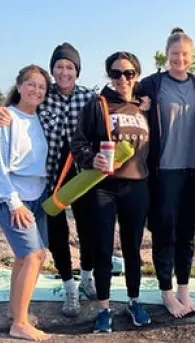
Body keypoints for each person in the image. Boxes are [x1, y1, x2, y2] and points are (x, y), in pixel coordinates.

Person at [0, 43, 97, 318]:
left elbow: (108, 123)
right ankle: (69, 286)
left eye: (70, 67)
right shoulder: (44, 98)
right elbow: (16, 112)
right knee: (58, 235)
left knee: (88, 229)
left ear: (77, 71)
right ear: (53, 71)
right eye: (59, 66)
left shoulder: (89, 97)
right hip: (51, 175)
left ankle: (87, 277)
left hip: (83, 172)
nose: (64, 72)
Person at [71, 51, 152, 332]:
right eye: (116, 73)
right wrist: (91, 158)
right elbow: (78, 143)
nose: (122, 79)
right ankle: (104, 307)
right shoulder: (99, 105)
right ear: (109, 76)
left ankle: (133, 300)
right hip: (104, 187)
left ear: (136, 75)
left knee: (133, 248)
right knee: (103, 248)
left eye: (128, 73)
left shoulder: (144, 107)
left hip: (138, 185)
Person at [138, 28, 195, 318]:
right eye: (174, 54)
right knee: (164, 233)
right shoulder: (153, 85)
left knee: (187, 234)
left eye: (184, 54)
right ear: (167, 55)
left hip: (192, 171)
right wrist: (141, 106)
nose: (179, 59)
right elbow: (119, 95)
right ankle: (167, 293)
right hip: (164, 172)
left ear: (191, 57)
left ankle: (184, 288)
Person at [0, 64, 52, 341]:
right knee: (32, 256)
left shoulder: (43, 119)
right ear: (19, 85)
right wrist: (14, 203)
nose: (36, 90)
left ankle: (16, 311)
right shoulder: (3, 118)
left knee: (30, 257)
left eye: (41, 87)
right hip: (14, 198)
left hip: (40, 196)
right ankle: (21, 324)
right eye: (31, 84)